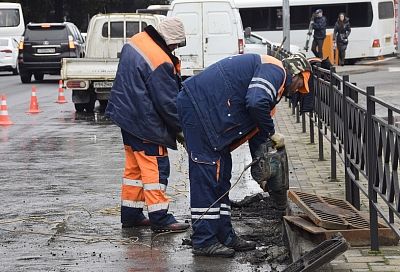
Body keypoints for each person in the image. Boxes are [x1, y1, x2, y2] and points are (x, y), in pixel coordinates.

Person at [177, 53, 311, 257]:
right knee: (207, 174)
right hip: (199, 110)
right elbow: (255, 102)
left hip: (210, 116)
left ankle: (224, 235)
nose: (298, 90)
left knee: (221, 175)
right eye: (301, 84)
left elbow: (257, 135)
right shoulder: (276, 71)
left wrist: (262, 174)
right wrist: (272, 131)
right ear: (297, 73)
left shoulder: (274, 87)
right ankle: (204, 241)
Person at [105, 18, 190, 233]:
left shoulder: (137, 41)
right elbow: (168, 103)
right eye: (176, 44)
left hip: (127, 118)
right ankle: (160, 218)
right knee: (156, 169)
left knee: (134, 170)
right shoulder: (160, 59)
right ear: (167, 39)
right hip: (145, 123)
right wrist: (182, 130)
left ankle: (131, 215)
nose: (175, 48)